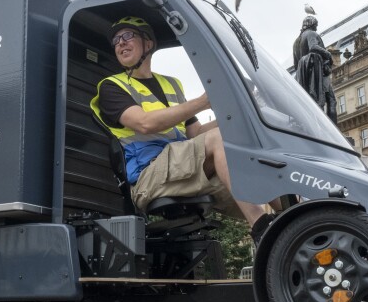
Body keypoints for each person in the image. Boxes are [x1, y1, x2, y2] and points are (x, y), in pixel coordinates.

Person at [91, 16, 276, 241]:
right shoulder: (111, 87)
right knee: (219, 141)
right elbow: (145, 123)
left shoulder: (172, 84)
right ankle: (263, 231)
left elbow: (196, 134)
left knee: (263, 173)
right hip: (148, 176)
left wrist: (240, 114)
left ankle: (300, 219)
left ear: (148, 44)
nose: (120, 42)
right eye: (117, 40)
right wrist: (202, 102)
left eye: (128, 35)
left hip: (181, 167)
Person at [292, 13, 336, 123]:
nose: (316, 27)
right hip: (317, 73)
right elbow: (313, 47)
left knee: (309, 104)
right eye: (316, 25)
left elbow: (296, 65)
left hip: (302, 77)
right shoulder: (311, 34)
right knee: (331, 100)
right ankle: (334, 132)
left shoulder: (296, 43)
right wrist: (328, 54)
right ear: (312, 24)